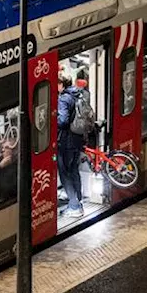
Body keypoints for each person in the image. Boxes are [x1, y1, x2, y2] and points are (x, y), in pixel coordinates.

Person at [56, 72, 85, 218]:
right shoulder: (78, 94)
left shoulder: (63, 99)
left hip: (66, 142)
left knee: (64, 173)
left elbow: (63, 121)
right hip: (77, 139)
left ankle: (74, 206)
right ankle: (78, 200)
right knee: (74, 170)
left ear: (61, 84)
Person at [0, 137, 18, 203]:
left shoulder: (17, 162)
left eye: (6, 148)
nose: (3, 150)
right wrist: (0, 166)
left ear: (13, 150)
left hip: (11, 200)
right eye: (3, 147)